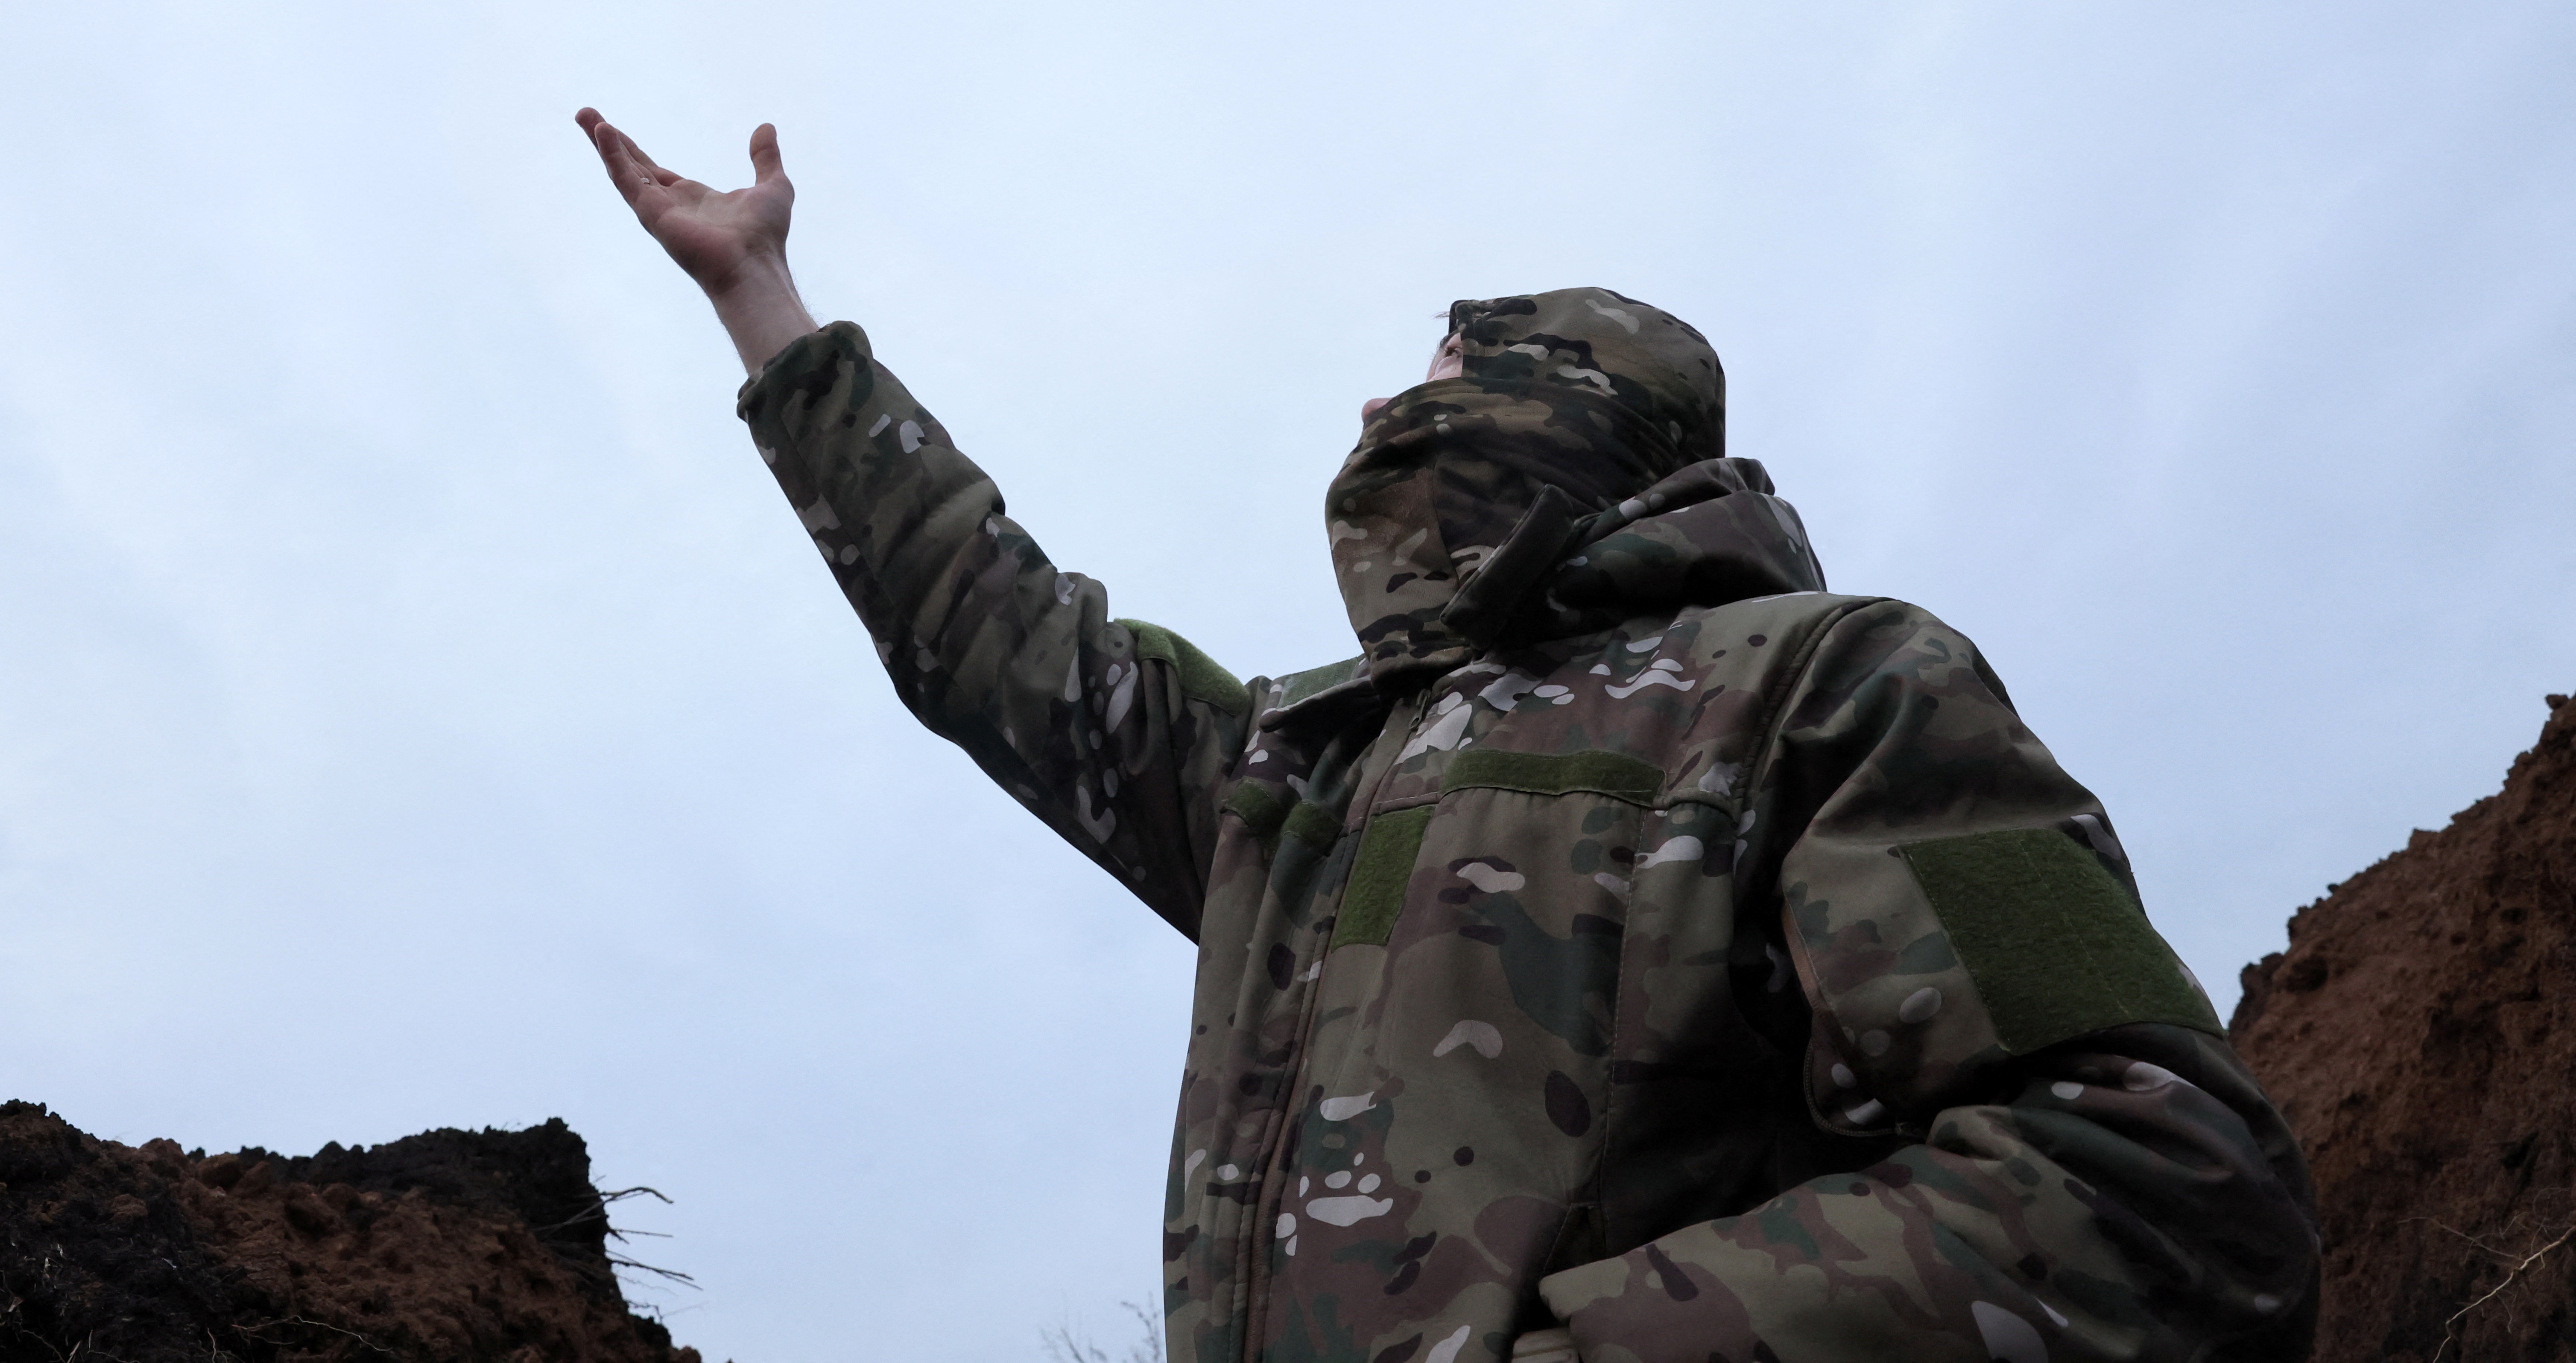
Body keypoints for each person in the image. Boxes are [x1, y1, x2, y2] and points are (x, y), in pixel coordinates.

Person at [576, 110, 2320, 1363]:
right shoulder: (1312, 772)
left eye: (1433, 370)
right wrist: (767, 311)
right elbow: (1002, 640)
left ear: (1550, 409)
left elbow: (2161, 1185)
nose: (1375, 406)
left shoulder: (1825, 683)